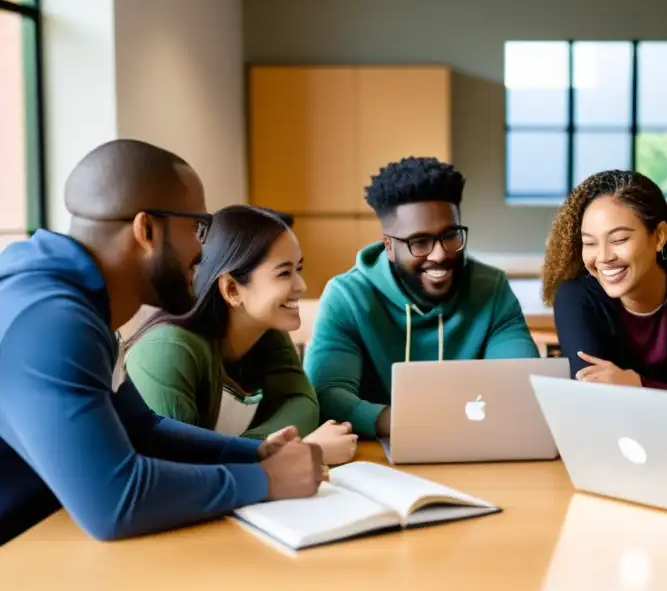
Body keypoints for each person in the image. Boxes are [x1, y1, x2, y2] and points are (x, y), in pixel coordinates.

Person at [0, 140, 325, 545]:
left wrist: (253, 456)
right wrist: (265, 480)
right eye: (197, 228)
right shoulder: (50, 322)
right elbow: (115, 502)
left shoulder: (83, 304)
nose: (204, 250)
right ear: (147, 230)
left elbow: (144, 428)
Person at [304, 156, 539, 439]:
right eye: (420, 242)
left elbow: (520, 383)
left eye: (450, 235)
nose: (440, 254)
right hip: (378, 454)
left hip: (475, 445)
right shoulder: (348, 296)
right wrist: (407, 423)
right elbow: (326, 396)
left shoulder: (491, 289)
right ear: (389, 246)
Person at [123, 205, 357, 465]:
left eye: (298, 269)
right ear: (232, 289)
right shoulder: (167, 351)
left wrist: (262, 449)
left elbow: (302, 403)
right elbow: (177, 467)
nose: (301, 285)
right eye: (284, 273)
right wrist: (294, 452)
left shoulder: (267, 331)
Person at [541, 170, 667, 415]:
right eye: (589, 243)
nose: (603, 257)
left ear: (660, 236)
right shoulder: (575, 297)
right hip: (624, 437)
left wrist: (634, 383)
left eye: (619, 239)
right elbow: (591, 397)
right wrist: (662, 392)